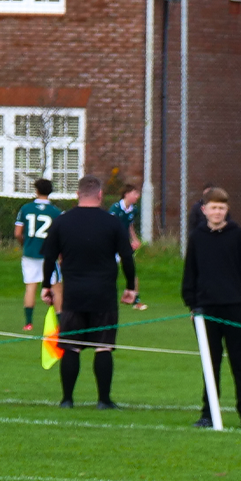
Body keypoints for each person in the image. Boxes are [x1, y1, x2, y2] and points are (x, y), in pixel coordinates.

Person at [40, 174, 138, 409]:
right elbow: (127, 257)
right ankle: (104, 400)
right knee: (103, 346)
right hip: (104, 294)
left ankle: (67, 400)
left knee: (71, 346)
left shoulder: (63, 222)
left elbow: (49, 257)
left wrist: (46, 286)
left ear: (77, 195)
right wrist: (131, 288)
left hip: (74, 294)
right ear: (100, 195)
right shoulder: (112, 222)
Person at [181, 187, 241, 428]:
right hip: (205, 309)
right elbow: (190, 274)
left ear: (227, 210)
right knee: (210, 363)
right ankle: (208, 413)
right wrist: (192, 304)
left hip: (235, 307)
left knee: (239, 363)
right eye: (213, 207)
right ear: (204, 210)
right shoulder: (197, 237)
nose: (217, 212)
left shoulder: (237, 236)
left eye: (222, 208)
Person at [14, 178, 62, 330]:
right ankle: (61, 324)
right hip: (49, 255)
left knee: (30, 287)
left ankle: (28, 323)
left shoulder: (26, 209)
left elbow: (17, 233)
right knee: (57, 288)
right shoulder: (56, 212)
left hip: (30, 254)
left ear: (36, 190)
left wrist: (25, 243)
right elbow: (61, 236)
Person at [106, 183, 147, 310]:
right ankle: (106, 298)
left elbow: (130, 226)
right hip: (112, 245)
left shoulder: (133, 210)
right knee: (109, 272)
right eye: (135, 193)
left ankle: (135, 300)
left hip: (123, 245)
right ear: (127, 194)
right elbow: (110, 229)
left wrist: (134, 239)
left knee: (131, 270)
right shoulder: (115, 209)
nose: (137, 196)